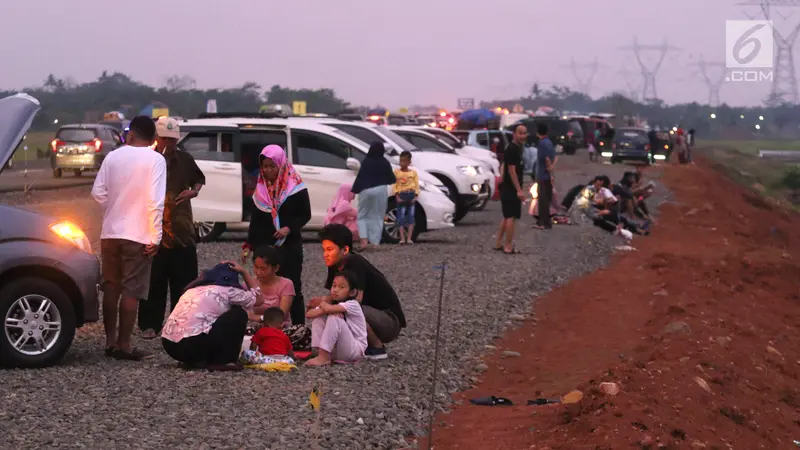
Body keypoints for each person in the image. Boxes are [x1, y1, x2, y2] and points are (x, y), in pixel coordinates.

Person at [91, 116, 167, 361]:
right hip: (139, 234)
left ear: (131, 134)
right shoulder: (156, 160)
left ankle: (110, 341)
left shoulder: (113, 156)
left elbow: (97, 192)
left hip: (110, 232)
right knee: (132, 291)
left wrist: (113, 209)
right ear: (153, 138)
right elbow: (155, 202)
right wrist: (156, 236)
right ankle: (124, 345)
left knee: (111, 287)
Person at [138, 117, 205, 340]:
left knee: (184, 283)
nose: (169, 143)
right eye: (165, 139)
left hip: (182, 231)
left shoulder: (184, 159)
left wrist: (193, 191)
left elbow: (198, 179)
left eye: (173, 140)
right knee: (153, 283)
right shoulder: (147, 159)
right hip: (153, 230)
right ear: (156, 138)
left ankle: (180, 323)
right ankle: (150, 325)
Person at [310, 224, 406, 360]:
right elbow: (333, 294)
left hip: (389, 321)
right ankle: (328, 348)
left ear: (345, 250)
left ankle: (377, 347)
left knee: (348, 308)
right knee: (330, 308)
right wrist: (320, 303)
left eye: (330, 249)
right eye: (324, 249)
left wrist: (326, 304)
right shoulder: (335, 263)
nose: (325, 254)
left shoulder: (355, 263)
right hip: (371, 315)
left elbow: (355, 300)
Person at [243, 145, 311, 325]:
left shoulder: (295, 187)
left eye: (272, 166)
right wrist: (250, 245)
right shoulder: (261, 189)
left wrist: (289, 228)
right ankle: (266, 326)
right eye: (264, 166)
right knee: (264, 287)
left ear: (281, 165)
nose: (268, 170)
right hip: (265, 245)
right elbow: (256, 219)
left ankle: (297, 328)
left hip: (289, 245)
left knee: (292, 287)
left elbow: (305, 214)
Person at [161, 262, 264, 371]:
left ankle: (194, 361)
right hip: (193, 344)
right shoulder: (228, 290)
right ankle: (224, 360)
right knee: (239, 313)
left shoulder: (191, 290)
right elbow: (259, 299)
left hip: (169, 344)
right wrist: (244, 273)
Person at [245, 245, 311, 350]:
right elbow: (245, 314)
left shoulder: (286, 284)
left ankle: (266, 346)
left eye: (263, 269)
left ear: (276, 268)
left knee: (302, 331)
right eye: (256, 267)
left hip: (279, 330)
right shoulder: (249, 284)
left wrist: (258, 318)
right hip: (256, 329)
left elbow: (280, 315)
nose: (258, 272)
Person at [305, 270, 368, 366]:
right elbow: (309, 314)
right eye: (334, 286)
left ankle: (323, 357)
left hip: (355, 349)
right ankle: (320, 352)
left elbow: (328, 308)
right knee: (320, 316)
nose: (335, 290)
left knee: (334, 316)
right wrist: (324, 308)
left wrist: (323, 304)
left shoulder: (353, 304)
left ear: (352, 292)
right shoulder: (331, 304)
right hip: (337, 349)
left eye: (341, 287)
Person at [351, 142, 396, 250]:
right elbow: (392, 179)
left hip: (365, 190)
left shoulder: (366, 162)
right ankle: (375, 242)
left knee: (362, 215)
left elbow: (360, 178)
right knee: (378, 216)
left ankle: (364, 241)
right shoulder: (385, 162)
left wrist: (355, 190)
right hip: (381, 190)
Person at [493, 124, 527, 254]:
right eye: (520, 133)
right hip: (510, 188)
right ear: (514, 134)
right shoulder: (513, 149)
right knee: (511, 217)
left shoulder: (515, 148)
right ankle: (508, 246)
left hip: (507, 186)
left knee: (506, 216)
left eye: (524, 133)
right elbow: (512, 171)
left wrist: (502, 175)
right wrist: (519, 190)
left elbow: (504, 165)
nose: (523, 136)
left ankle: (497, 244)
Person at [393, 150, 420, 245]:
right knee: (401, 216)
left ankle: (409, 238)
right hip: (401, 195)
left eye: (404, 161)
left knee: (411, 216)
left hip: (411, 194)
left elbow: (417, 185)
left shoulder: (413, 173)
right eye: (401, 161)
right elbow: (395, 184)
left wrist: (416, 195)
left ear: (409, 162)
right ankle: (402, 238)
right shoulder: (396, 172)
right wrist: (396, 195)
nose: (402, 163)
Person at [534, 123, 556, 230]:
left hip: (542, 175)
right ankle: (547, 222)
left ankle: (543, 223)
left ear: (538, 132)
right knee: (547, 199)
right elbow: (555, 158)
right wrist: (552, 171)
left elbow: (546, 158)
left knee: (542, 200)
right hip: (548, 176)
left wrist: (548, 168)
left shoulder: (541, 143)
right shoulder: (549, 142)